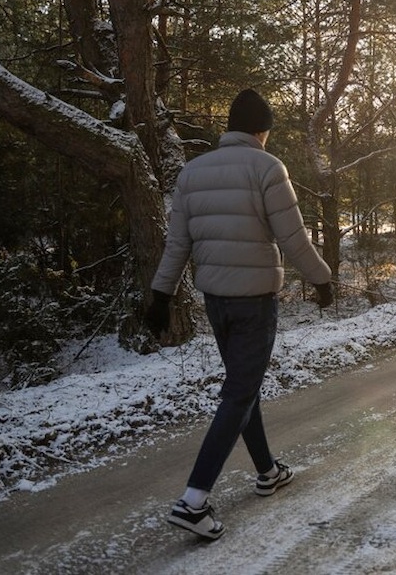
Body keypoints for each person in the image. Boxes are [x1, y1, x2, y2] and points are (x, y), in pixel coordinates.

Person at [144, 88, 333, 540]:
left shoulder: (193, 172)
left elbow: (177, 244)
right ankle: (193, 502)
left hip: (216, 301)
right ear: (261, 130)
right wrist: (322, 279)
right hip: (254, 302)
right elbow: (293, 238)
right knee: (239, 394)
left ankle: (267, 471)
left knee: (242, 388)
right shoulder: (267, 167)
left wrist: (160, 295)